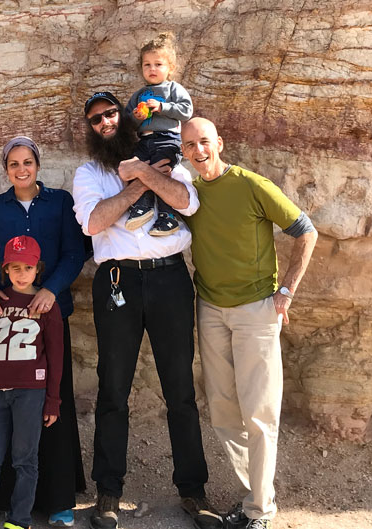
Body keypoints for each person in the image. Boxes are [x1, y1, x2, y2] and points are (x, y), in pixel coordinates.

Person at [71, 92, 221, 529]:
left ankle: (194, 492)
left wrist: (149, 173)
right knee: (112, 388)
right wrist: (140, 181)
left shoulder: (165, 156)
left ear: (126, 115)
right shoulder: (90, 172)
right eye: (96, 118)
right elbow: (93, 222)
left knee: (180, 389)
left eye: (111, 113)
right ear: (90, 127)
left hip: (170, 278)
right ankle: (108, 493)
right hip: (117, 281)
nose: (105, 122)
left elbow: (187, 202)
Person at [181, 117, 318, 529]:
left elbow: (306, 231)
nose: (198, 150)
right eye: (189, 144)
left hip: (257, 311)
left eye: (204, 141)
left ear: (219, 143)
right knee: (223, 411)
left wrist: (288, 290)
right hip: (210, 310)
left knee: (259, 413)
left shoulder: (249, 184)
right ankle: (254, 496)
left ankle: (260, 511)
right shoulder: (189, 196)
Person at [0, 135, 87, 527]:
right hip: (5, 323)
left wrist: (51, 291)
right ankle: (7, 502)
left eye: (27, 163)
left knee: (53, 404)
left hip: (48, 316)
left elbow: (75, 252)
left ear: (38, 164)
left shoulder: (60, 202)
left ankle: (58, 501)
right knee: (5, 410)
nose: (21, 170)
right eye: (13, 164)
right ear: (5, 169)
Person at [0, 235, 63, 529]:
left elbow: (56, 358)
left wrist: (53, 400)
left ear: (39, 269)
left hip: (31, 394)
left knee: (25, 460)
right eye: (15, 267)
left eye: (28, 268)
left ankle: (19, 520)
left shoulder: (46, 306)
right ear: (5, 269)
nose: (22, 274)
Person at [124, 32, 193, 236]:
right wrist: (136, 116)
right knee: (133, 166)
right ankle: (143, 206)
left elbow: (186, 110)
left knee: (162, 174)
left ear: (170, 68)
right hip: (144, 140)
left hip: (167, 140)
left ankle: (168, 216)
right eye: (147, 65)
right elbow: (127, 123)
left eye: (158, 64)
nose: (152, 69)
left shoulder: (173, 88)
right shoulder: (138, 95)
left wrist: (163, 106)